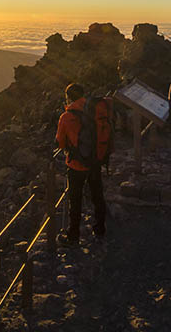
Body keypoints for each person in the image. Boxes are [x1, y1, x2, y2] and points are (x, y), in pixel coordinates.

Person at [55, 83, 106, 244]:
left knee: (74, 200)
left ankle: (73, 235)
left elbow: (60, 142)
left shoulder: (66, 116)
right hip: (95, 161)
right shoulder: (96, 109)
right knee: (97, 195)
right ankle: (100, 229)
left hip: (76, 165)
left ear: (68, 97)